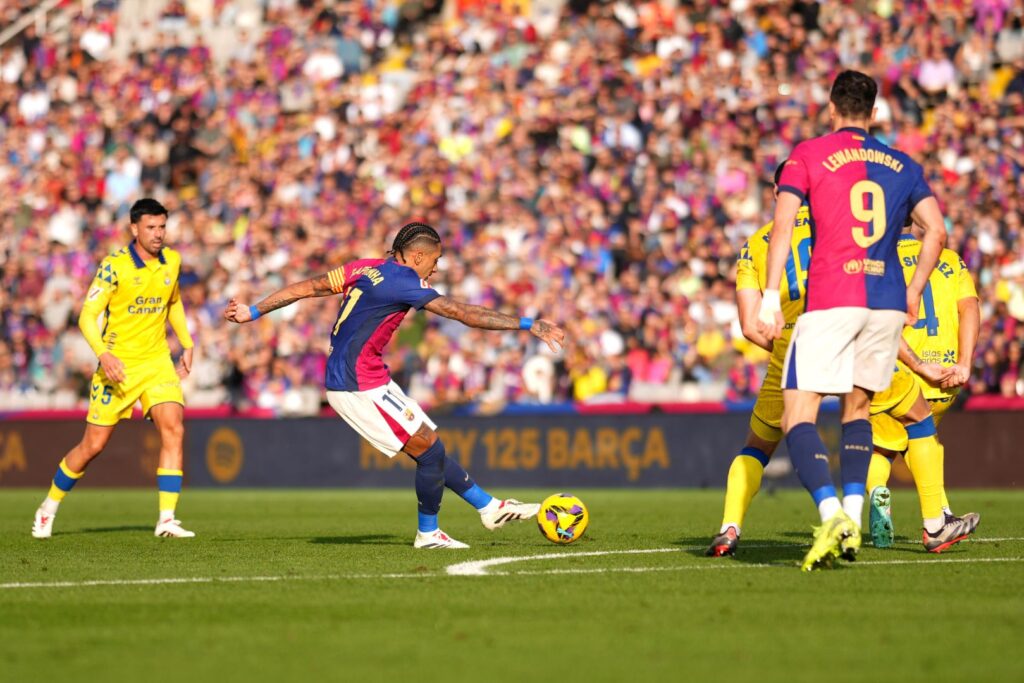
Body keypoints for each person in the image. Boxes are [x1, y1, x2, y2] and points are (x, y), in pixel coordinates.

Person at [224, 222, 566, 548]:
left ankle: (489, 507)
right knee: (429, 451)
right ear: (417, 256)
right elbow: (461, 312)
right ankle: (429, 534)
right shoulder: (404, 280)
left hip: (369, 376)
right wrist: (526, 324)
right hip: (355, 383)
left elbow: (308, 287)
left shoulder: (365, 267)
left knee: (431, 447)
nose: (435, 269)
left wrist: (253, 311)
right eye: (435, 260)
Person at [708, 172, 979, 558]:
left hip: (794, 347)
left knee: (759, 446)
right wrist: (917, 363)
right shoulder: (839, 223)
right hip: (851, 335)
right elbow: (864, 299)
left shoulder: (756, 243)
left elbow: (751, 327)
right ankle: (933, 522)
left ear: (776, 193)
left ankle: (729, 527)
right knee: (911, 416)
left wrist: (787, 353)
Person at [757, 70, 948, 571]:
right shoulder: (903, 164)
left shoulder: (808, 153)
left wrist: (766, 298)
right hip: (884, 301)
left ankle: (830, 513)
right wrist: (912, 289)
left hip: (833, 297)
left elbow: (781, 230)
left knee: (796, 414)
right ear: (874, 111)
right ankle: (854, 517)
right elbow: (938, 231)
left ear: (831, 106)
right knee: (858, 409)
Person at [32, 199, 196, 539]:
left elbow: (174, 303)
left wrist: (188, 343)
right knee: (93, 446)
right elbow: (87, 316)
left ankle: (166, 518)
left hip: (156, 362)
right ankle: (48, 507)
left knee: (173, 428)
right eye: (151, 227)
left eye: (162, 227)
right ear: (134, 228)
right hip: (117, 366)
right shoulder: (114, 266)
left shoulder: (173, 261)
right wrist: (104, 354)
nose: (158, 234)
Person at [865, 220, 982, 550]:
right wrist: (965, 362)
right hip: (945, 377)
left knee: (882, 448)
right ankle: (941, 515)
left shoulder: (878, 261)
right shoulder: (950, 259)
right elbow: (970, 307)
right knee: (923, 441)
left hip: (902, 372)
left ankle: (880, 493)